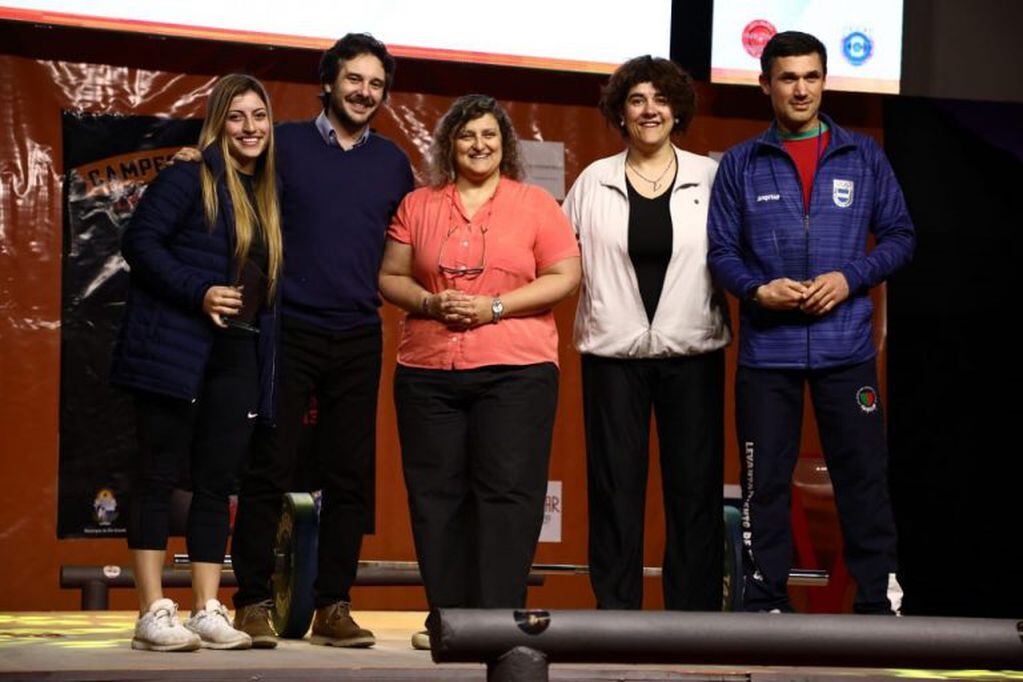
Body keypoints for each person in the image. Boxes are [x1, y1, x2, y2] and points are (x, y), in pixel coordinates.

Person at [707, 31, 915, 613]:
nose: (801, 89)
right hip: (766, 353)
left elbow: (901, 236)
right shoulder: (743, 164)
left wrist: (851, 277)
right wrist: (756, 289)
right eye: (788, 78)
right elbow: (721, 252)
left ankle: (880, 603)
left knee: (863, 480)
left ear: (825, 80)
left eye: (812, 77)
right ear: (765, 84)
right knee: (763, 488)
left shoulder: (863, 155)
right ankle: (766, 602)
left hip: (845, 349)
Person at [220, 33, 414, 649]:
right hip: (289, 327)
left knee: (351, 474)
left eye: (376, 84)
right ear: (328, 81)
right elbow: (229, 177)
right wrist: (188, 160)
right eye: (354, 79)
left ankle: (333, 605)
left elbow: (406, 248)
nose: (364, 92)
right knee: (270, 463)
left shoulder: (392, 162)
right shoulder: (288, 144)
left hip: (358, 331)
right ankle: (250, 600)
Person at [378, 94, 580, 648]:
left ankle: (493, 621)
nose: (479, 144)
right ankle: (446, 619)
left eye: (489, 134)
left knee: (508, 495)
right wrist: (428, 304)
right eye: (467, 135)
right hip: (427, 371)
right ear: (449, 143)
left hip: (516, 370)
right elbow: (391, 276)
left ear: (505, 144)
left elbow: (564, 274)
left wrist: (496, 307)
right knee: (435, 496)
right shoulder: (418, 205)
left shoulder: (536, 204)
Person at [111, 73, 283, 651]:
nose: (250, 128)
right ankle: (151, 612)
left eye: (259, 116)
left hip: (237, 349)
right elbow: (139, 243)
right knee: (157, 476)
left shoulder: (267, 195)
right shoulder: (190, 176)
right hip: (174, 345)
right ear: (218, 122)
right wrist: (199, 291)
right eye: (236, 116)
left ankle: (206, 608)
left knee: (217, 483)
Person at [563, 56, 731, 611]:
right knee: (614, 492)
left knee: (695, 491)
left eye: (661, 99)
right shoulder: (593, 180)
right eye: (637, 100)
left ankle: (693, 616)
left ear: (677, 109)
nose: (650, 109)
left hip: (694, 351)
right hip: (613, 356)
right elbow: (560, 262)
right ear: (621, 112)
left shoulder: (711, 177)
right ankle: (616, 614)